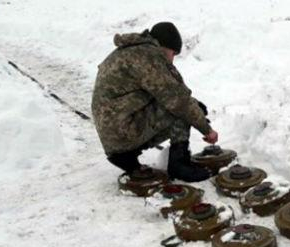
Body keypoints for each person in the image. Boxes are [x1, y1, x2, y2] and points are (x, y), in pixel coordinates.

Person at [91, 22, 218, 182]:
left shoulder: (133, 52)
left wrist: (195, 107)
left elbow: (163, 93)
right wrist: (207, 131)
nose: (172, 60)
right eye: (173, 54)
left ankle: (130, 161)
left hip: (115, 134)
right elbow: (179, 101)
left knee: (187, 106)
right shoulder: (148, 58)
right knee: (181, 110)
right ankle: (179, 166)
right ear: (165, 47)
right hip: (122, 132)